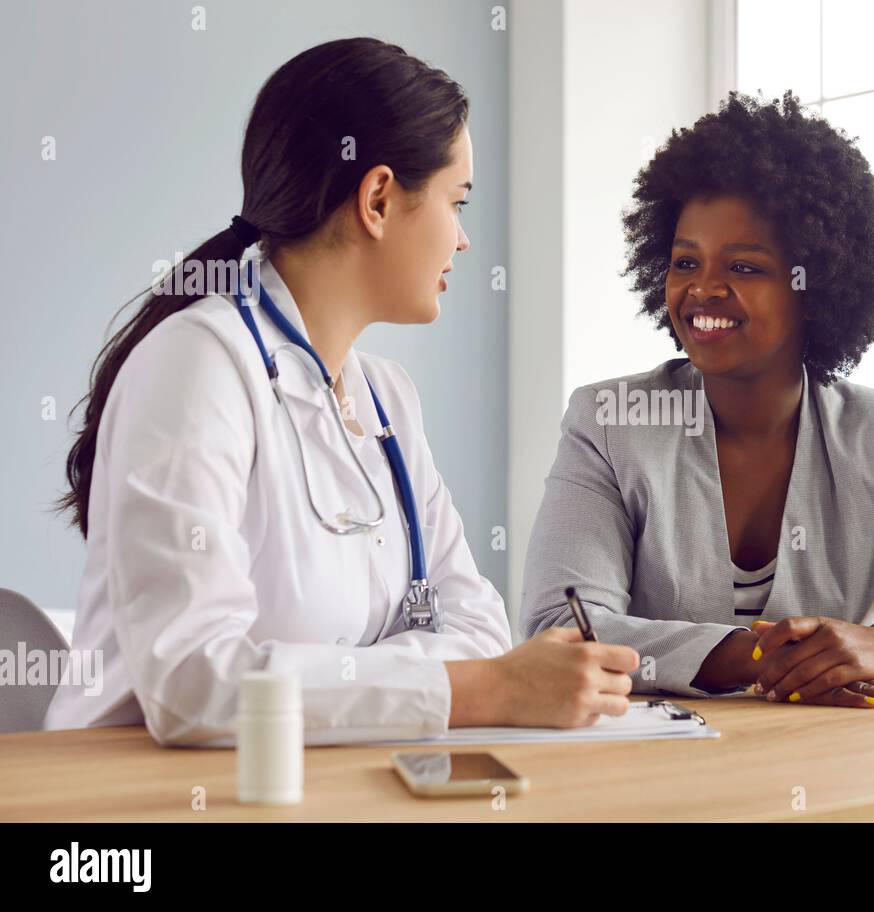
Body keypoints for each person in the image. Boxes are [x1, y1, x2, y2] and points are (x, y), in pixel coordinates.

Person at [47, 37, 636, 746]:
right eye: (458, 201)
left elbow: (478, 626)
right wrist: (486, 688)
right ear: (379, 199)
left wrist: (362, 683)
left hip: (325, 779)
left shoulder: (388, 398)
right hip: (133, 801)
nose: (465, 240)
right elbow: (195, 683)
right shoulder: (195, 367)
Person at [522, 92, 874, 706]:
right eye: (685, 261)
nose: (703, 289)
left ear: (815, 287)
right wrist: (766, 656)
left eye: (743, 268)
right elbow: (558, 633)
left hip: (820, 770)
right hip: (653, 775)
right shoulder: (610, 423)